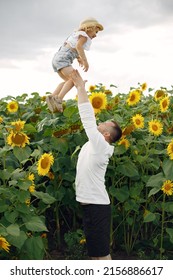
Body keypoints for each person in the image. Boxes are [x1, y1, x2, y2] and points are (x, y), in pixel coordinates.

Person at [70, 70, 122, 260]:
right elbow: (89, 121)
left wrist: (81, 87)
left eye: (106, 123)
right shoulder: (93, 144)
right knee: (95, 256)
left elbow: (87, 119)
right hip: (90, 207)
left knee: (102, 257)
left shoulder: (101, 145)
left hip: (97, 207)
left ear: (107, 135)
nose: (102, 121)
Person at [46, 17, 104, 113]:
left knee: (68, 81)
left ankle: (52, 97)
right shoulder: (84, 36)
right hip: (63, 59)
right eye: (96, 32)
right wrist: (85, 61)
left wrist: (78, 58)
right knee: (75, 79)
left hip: (57, 59)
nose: (96, 35)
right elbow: (78, 46)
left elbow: (72, 47)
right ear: (89, 28)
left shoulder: (76, 35)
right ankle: (58, 99)